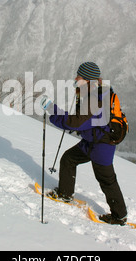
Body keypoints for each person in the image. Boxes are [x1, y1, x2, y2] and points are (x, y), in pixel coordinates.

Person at [39, 62, 128, 225]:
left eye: (78, 76)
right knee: (69, 159)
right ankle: (65, 194)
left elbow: (74, 122)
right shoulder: (93, 92)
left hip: (102, 145)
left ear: (87, 79)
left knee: (107, 179)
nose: (75, 78)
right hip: (91, 141)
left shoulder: (95, 99)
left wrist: (52, 110)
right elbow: (81, 120)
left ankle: (119, 216)